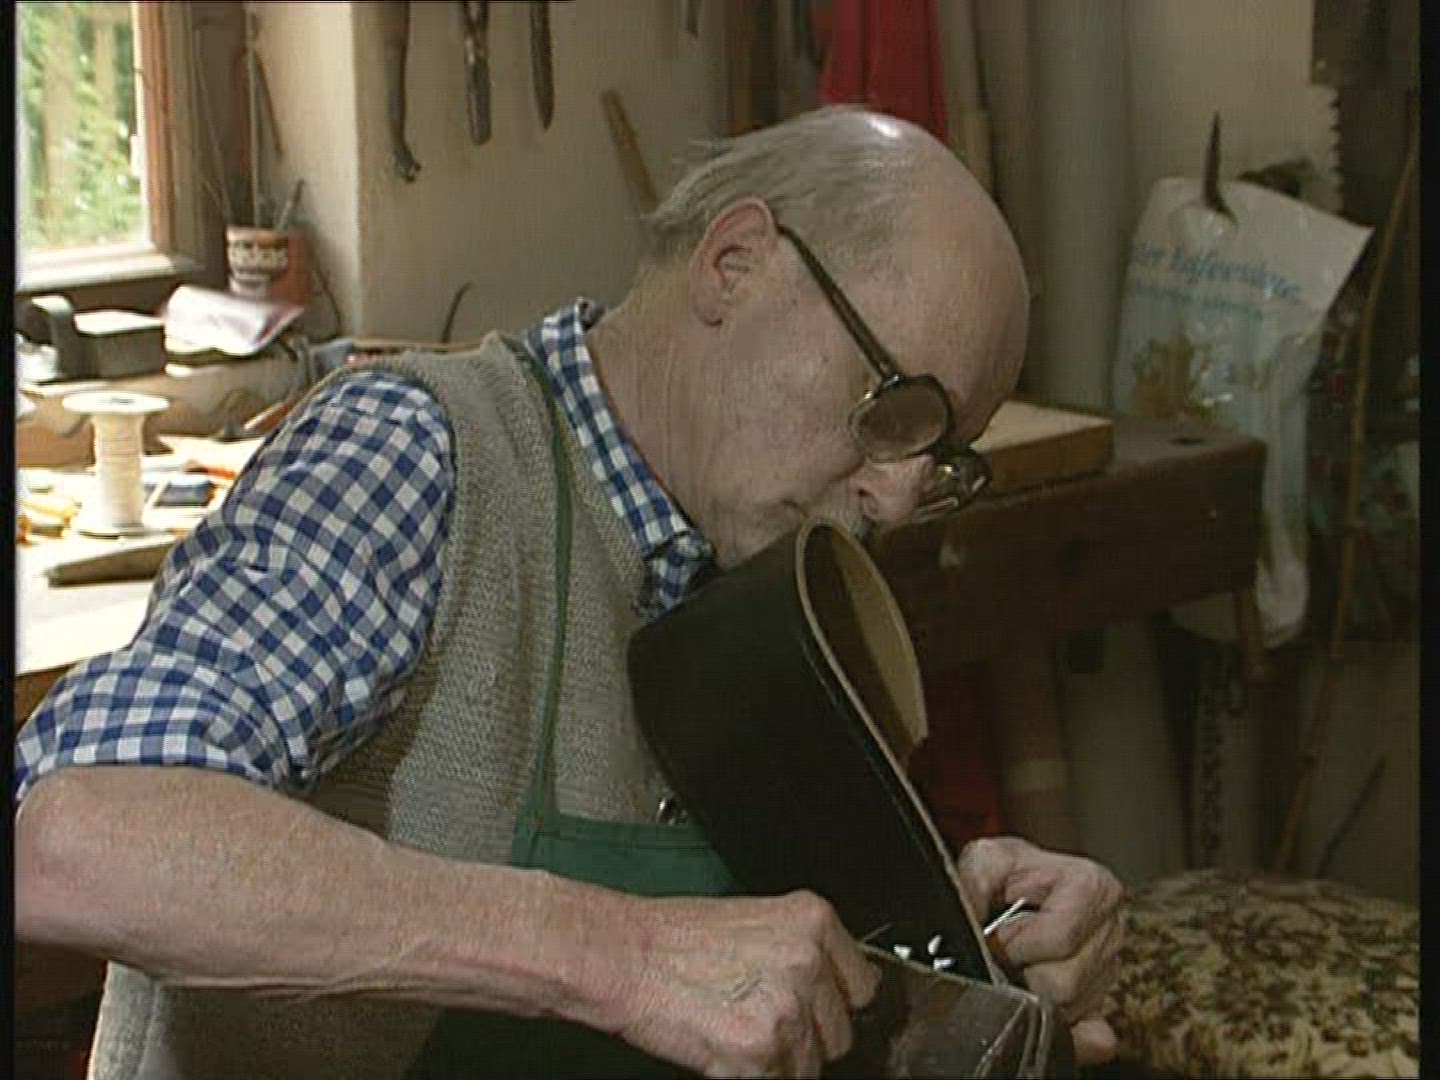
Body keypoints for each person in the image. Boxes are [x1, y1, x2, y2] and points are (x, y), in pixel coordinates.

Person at [15, 106, 1124, 1079]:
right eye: (892, 410)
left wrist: (976, 958)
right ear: (736, 264)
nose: (896, 494)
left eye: (943, 457)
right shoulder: (417, 451)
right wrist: (621, 954)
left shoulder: (768, 577)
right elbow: (78, 835)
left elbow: (767, 970)